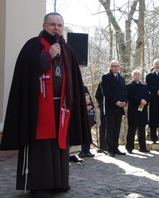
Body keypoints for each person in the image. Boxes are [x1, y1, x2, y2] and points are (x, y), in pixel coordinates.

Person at [0, 12, 91, 197]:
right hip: (38, 107)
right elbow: (26, 72)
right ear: (44, 26)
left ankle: (58, 182)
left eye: (59, 25)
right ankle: (39, 184)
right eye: (52, 24)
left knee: (59, 146)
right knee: (42, 147)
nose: (56, 28)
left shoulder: (68, 50)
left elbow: (73, 78)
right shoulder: (33, 45)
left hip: (63, 107)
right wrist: (48, 55)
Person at [102, 60, 127, 157]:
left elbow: (124, 92)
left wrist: (124, 102)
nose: (116, 68)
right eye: (114, 66)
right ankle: (110, 148)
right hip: (111, 106)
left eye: (117, 66)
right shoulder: (106, 77)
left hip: (120, 107)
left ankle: (116, 147)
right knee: (110, 128)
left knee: (117, 128)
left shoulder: (121, 78)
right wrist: (116, 102)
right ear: (110, 67)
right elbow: (106, 92)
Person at [125, 70, 150, 153]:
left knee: (142, 129)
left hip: (143, 110)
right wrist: (140, 100)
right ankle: (129, 147)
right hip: (133, 110)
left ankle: (142, 147)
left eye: (138, 74)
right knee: (132, 129)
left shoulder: (144, 86)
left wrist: (145, 101)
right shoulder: (128, 86)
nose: (137, 75)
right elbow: (129, 96)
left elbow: (148, 96)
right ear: (132, 76)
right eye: (135, 74)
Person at [78, 93, 95, 158]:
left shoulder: (90, 110)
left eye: (88, 99)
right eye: (85, 99)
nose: (87, 101)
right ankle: (81, 151)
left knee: (88, 135)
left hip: (88, 124)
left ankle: (87, 150)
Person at [95, 81, 107, 152]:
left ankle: (110, 145)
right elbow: (97, 95)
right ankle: (102, 145)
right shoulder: (102, 83)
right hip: (103, 108)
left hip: (113, 108)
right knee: (103, 125)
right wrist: (101, 104)